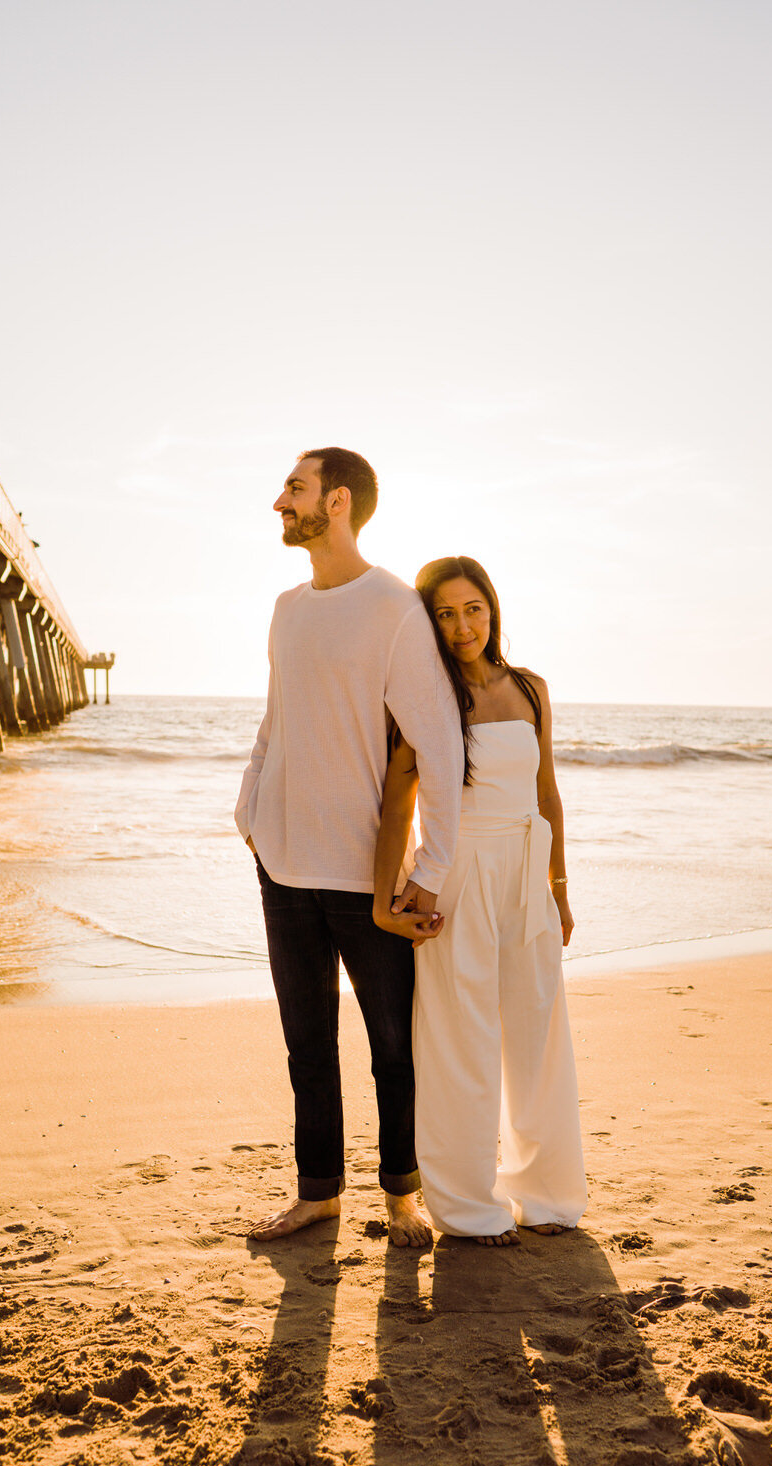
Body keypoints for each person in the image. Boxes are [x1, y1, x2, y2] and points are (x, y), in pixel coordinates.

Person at [236, 449, 464, 1246]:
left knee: (391, 1048)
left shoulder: (395, 608)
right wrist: (249, 811)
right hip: (281, 865)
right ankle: (317, 1194)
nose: (279, 503)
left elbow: (439, 750)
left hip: (366, 879)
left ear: (336, 502)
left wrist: (430, 872)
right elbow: (275, 721)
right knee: (307, 1046)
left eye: (293, 489)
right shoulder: (285, 607)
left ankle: (401, 1194)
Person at [373, 556, 588, 1245]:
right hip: (455, 873)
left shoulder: (530, 688)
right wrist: (390, 897)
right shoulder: (425, 699)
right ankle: (468, 1209)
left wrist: (558, 886)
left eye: (472, 608)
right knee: (459, 1039)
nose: (461, 626)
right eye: (443, 613)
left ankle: (548, 1196)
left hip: (525, 871)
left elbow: (546, 793)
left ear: (491, 609)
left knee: (537, 1036)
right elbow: (397, 800)